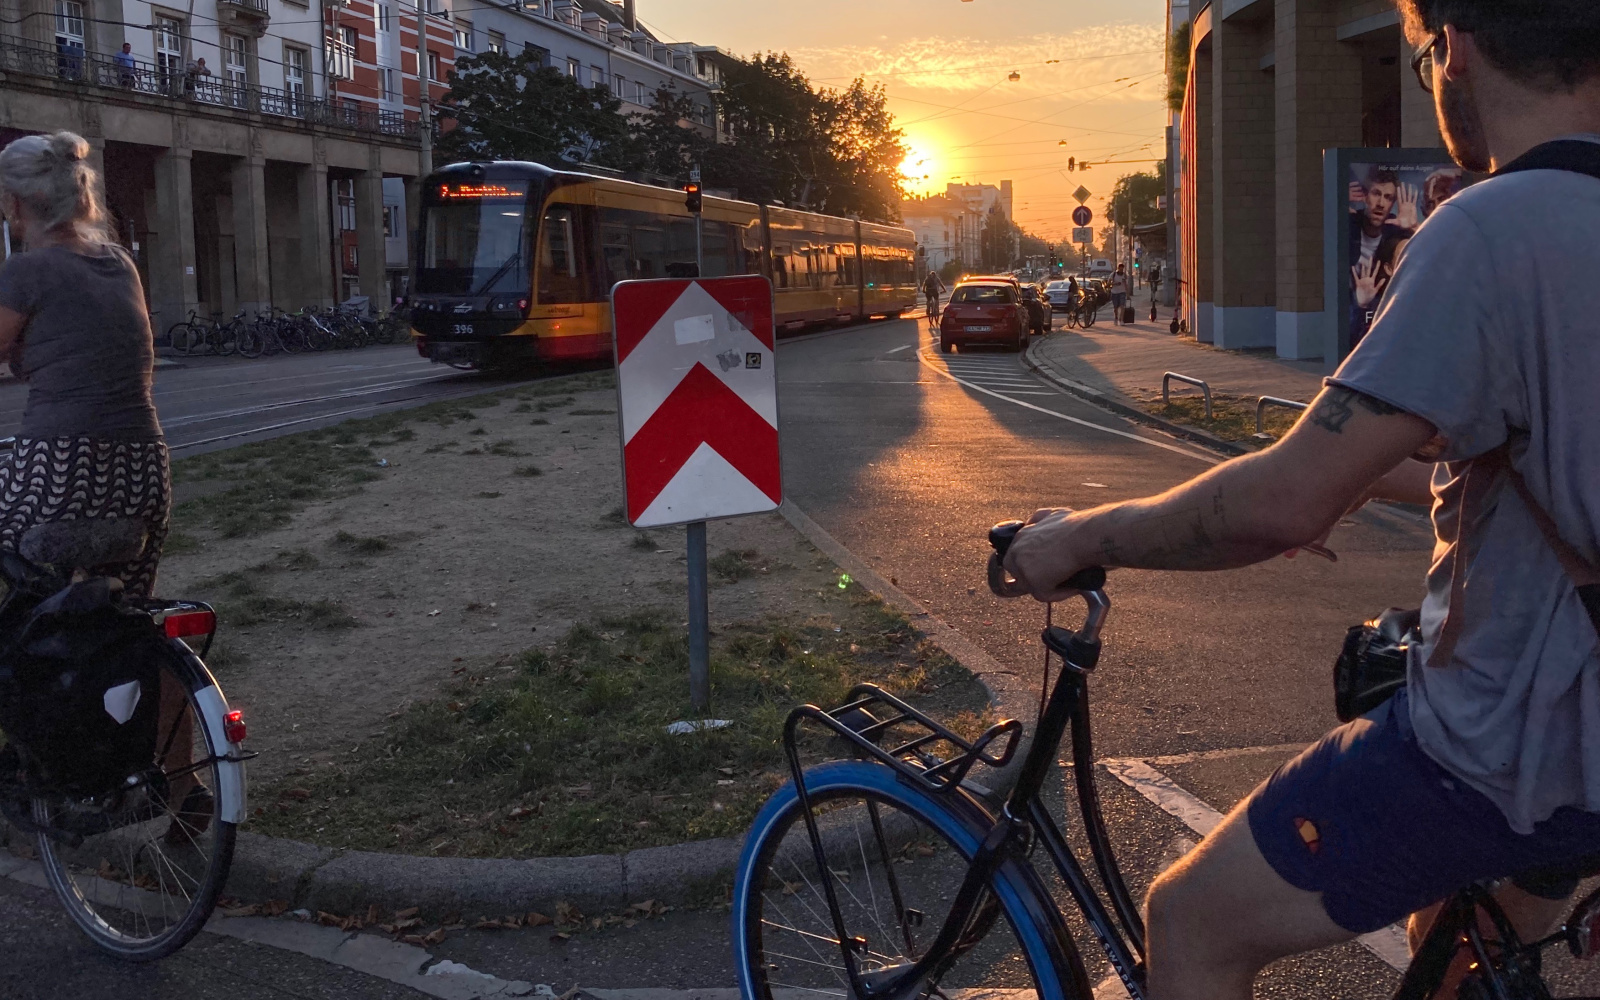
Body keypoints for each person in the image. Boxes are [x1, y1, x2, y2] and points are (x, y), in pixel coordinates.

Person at [1002, 2, 1600, 996]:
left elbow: (1278, 502)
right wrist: (1342, 478)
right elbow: (1534, 465)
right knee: (1455, 946)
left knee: (1188, 919)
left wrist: (1080, 535)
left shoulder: (1490, 230)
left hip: (1521, 749)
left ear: (1453, 44)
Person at [0, 132, 194, 839]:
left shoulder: (26, 271)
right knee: (134, 624)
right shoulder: (119, 264)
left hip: (60, 468)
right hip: (143, 468)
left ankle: (35, 762)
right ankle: (184, 782)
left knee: (30, 606)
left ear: (16, 203)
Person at [1349, 167, 1417, 346]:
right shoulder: (1349, 223)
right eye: (1376, 193)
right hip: (1354, 307)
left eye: (1388, 198)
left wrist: (1414, 228)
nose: (1380, 203)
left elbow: (1429, 257)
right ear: (1365, 196)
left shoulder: (1396, 230)